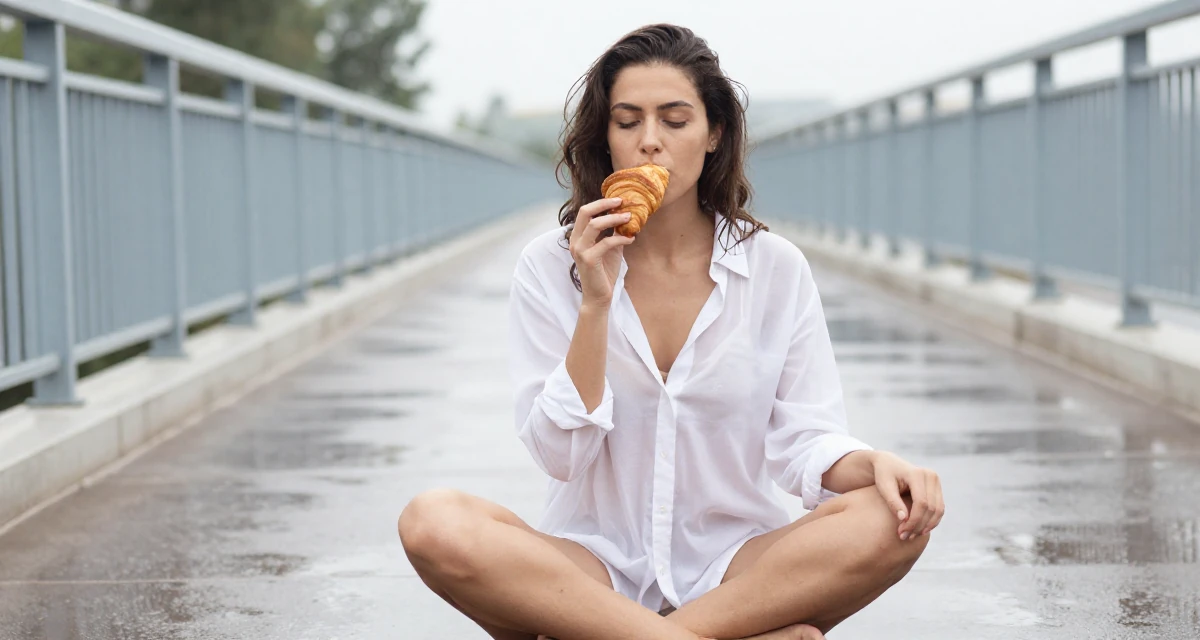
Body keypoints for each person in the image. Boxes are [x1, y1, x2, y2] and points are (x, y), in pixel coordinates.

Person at [398, 23, 945, 640]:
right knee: (432, 522)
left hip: (737, 567)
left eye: (675, 121)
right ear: (605, 137)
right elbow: (559, 455)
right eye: (627, 121)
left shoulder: (774, 267)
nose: (649, 143)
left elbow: (805, 440)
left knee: (895, 518)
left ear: (714, 133)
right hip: (590, 570)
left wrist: (877, 465)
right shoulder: (550, 265)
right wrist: (595, 304)